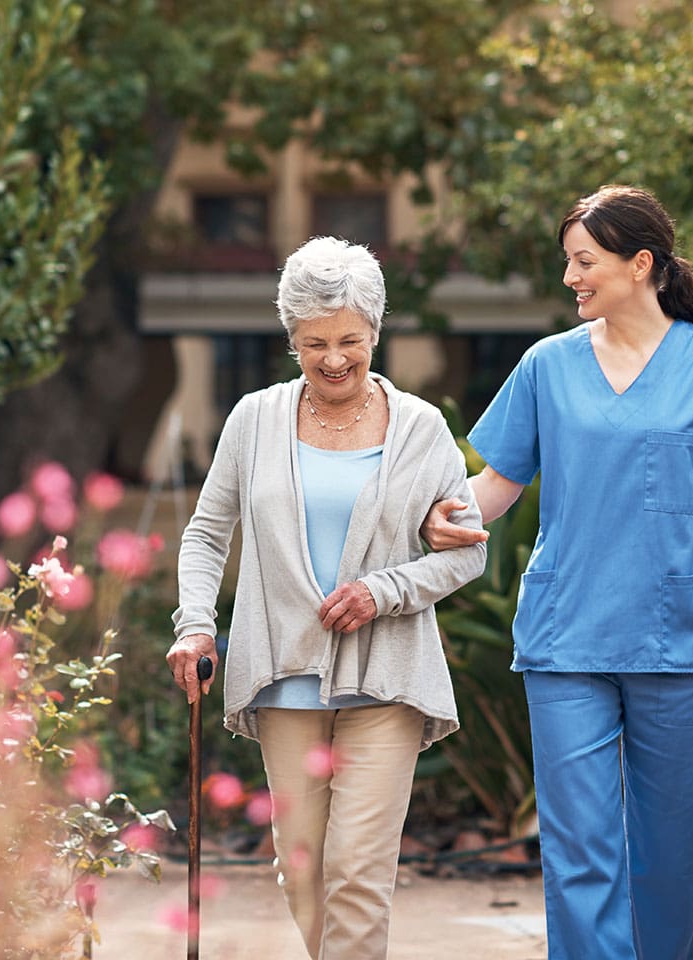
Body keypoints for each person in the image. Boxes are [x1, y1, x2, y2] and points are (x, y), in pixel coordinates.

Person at [421, 185, 693, 960]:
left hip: (681, 641)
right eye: (568, 263)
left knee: (672, 852)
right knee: (579, 851)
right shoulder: (546, 367)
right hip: (568, 638)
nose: (570, 279)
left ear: (640, 264)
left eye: (583, 262)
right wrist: (432, 519)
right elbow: (495, 486)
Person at [166, 236, 487, 960]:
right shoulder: (254, 420)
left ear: (375, 331)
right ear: (292, 340)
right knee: (304, 869)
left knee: (358, 872)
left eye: (349, 340)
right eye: (314, 343)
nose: (334, 358)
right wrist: (195, 627)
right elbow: (205, 535)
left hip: (387, 678)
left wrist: (385, 591)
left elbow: (468, 556)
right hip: (283, 679)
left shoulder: (421, 429)